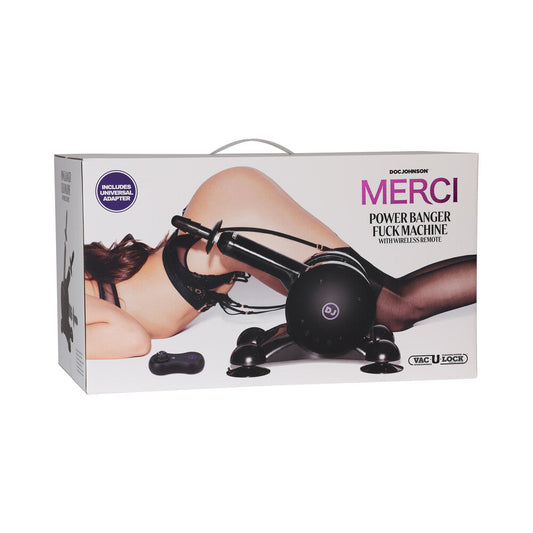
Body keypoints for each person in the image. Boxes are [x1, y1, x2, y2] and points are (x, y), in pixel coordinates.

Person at [84, 166, 476, 359]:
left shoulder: (66, 302)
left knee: (397, 308)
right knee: (387, 303)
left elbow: (133, 339)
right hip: (218, 228)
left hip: (223, 219)